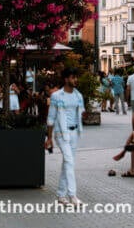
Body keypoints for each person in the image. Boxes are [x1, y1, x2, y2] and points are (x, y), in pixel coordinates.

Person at [46, 67, 85, 206]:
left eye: (76, 77)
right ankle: (72, 196)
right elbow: (50, 118)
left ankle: (60, 196)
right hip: (61, 133)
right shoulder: (57, 96)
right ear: (66, 79)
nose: (75, 80)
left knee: (67, 163)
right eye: (73, 77)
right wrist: (49, 138)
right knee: (69, 161)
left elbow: (81, 113)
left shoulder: (78, 96)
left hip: (74, 133)